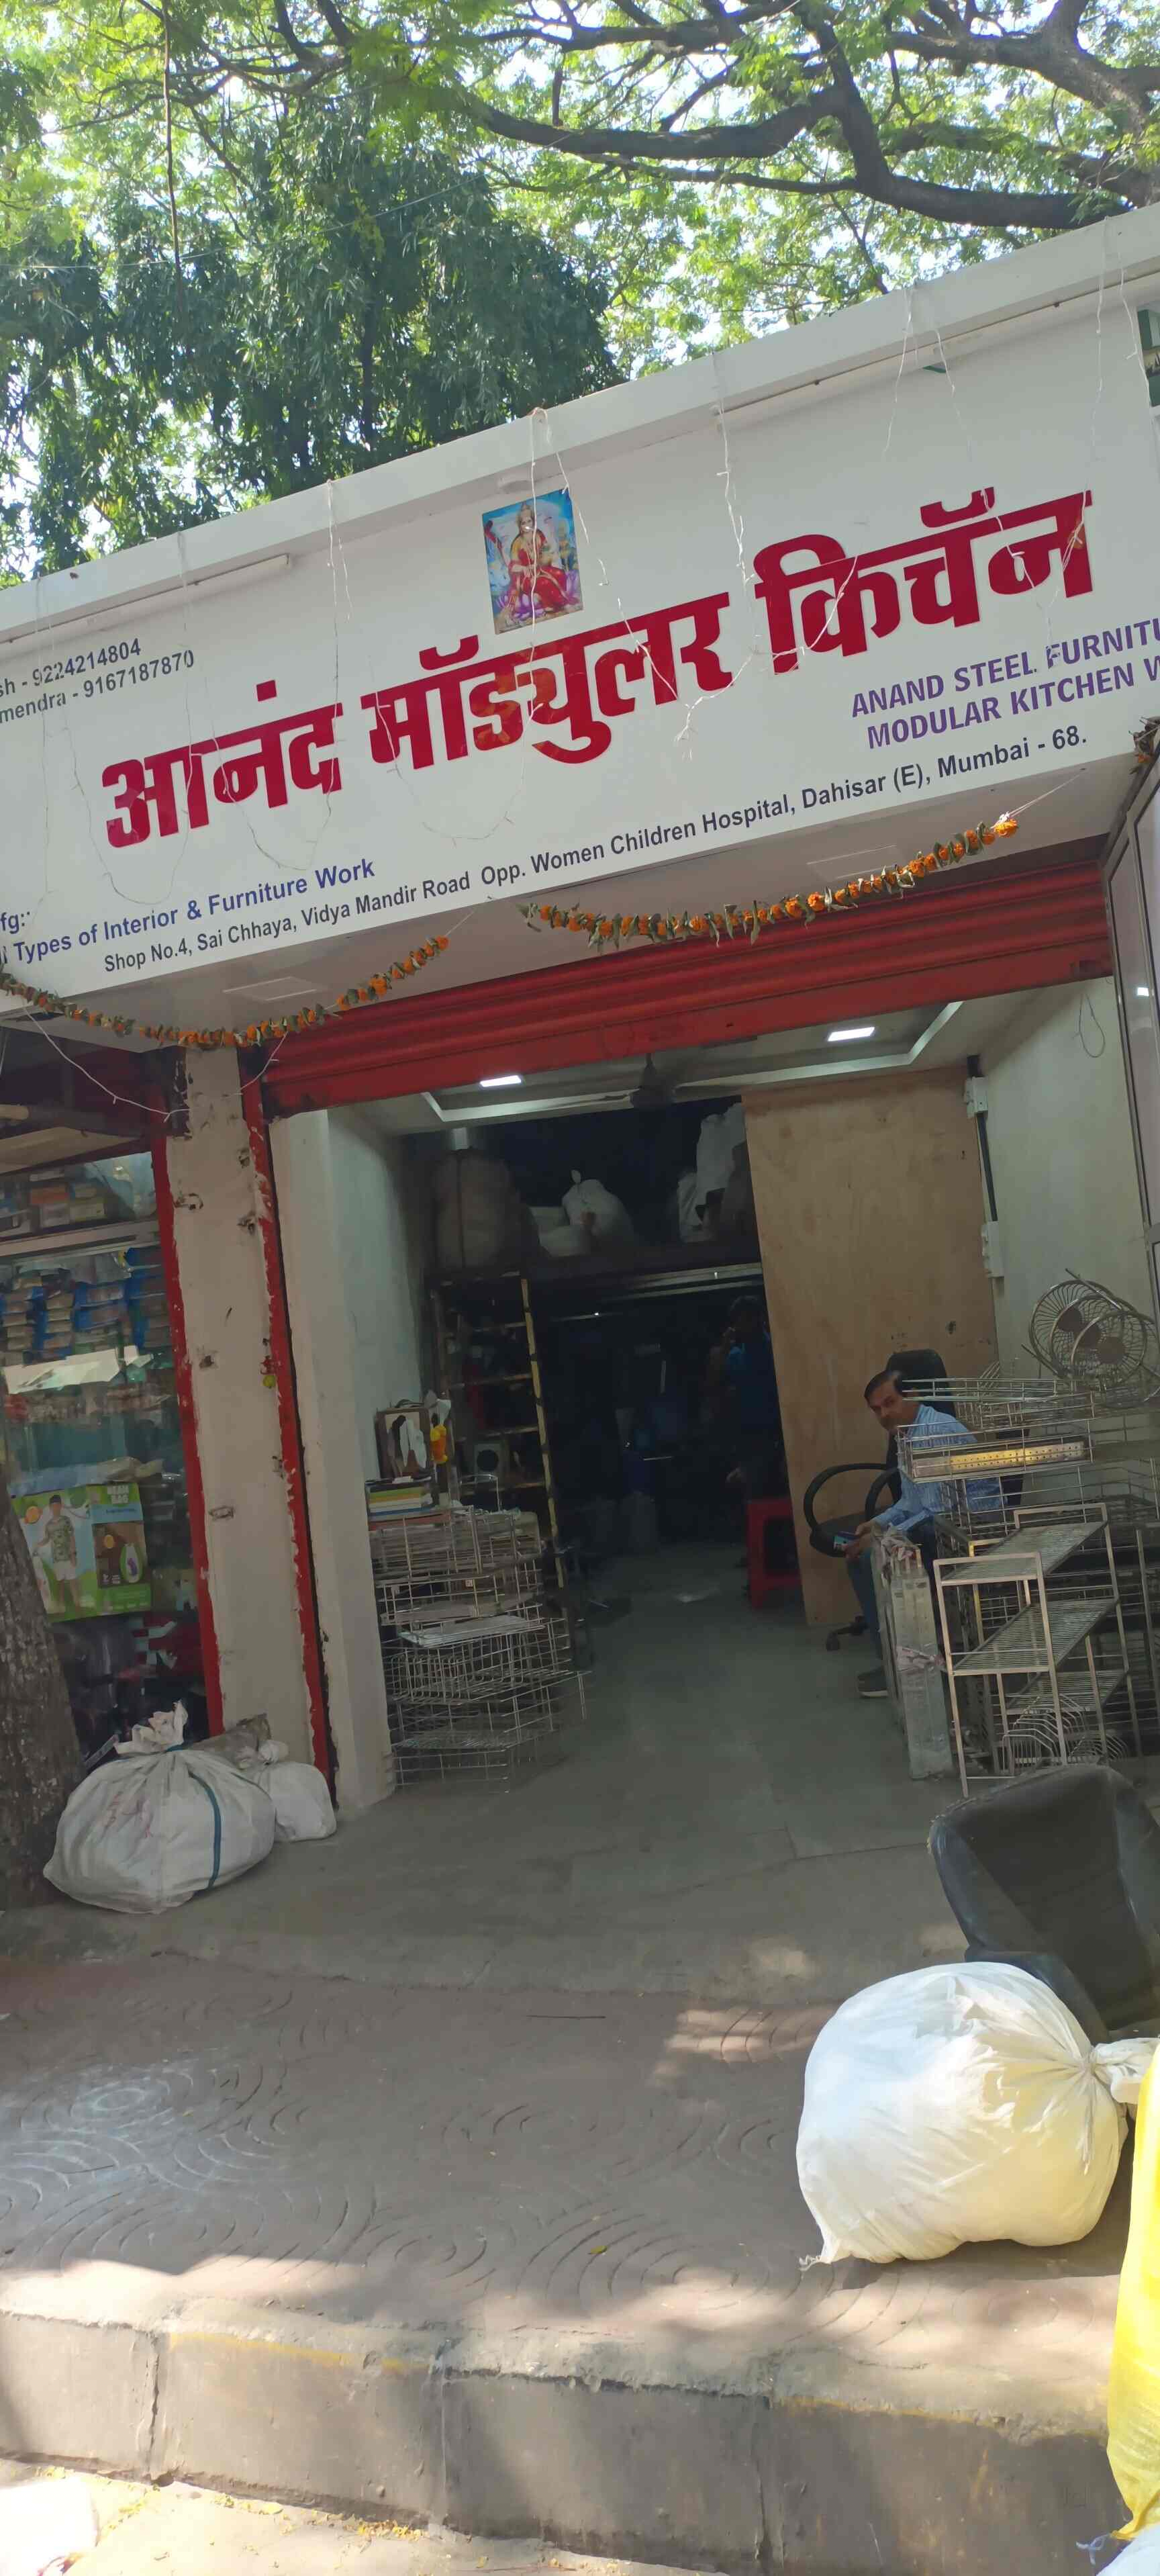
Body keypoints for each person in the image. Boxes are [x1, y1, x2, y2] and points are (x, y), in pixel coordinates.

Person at [844, 1372, 1002, 1702]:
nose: (884, 1414)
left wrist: (883, 1539)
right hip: (943, 1523)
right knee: (864, 1554)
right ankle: (896, 1660)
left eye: (890, 1403)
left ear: (913, 1395)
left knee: (877, 1556)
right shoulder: (907, 1434)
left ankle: (906, 1665)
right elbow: (911, 1501)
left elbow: (936, 1512)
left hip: (970, 1531)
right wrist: (876, 1524)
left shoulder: (934, 1431)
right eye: (876, 1409)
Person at [707, 1296, 783, 1498]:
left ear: (759, 1319)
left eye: (746, 1320)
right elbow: (713, 1386)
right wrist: (724, 1349)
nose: (741, 1327)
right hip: (748, 1436)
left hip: (778, 1432)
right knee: (752, 1494)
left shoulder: (776, 1349)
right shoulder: (735, 1355)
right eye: (738, 1322)